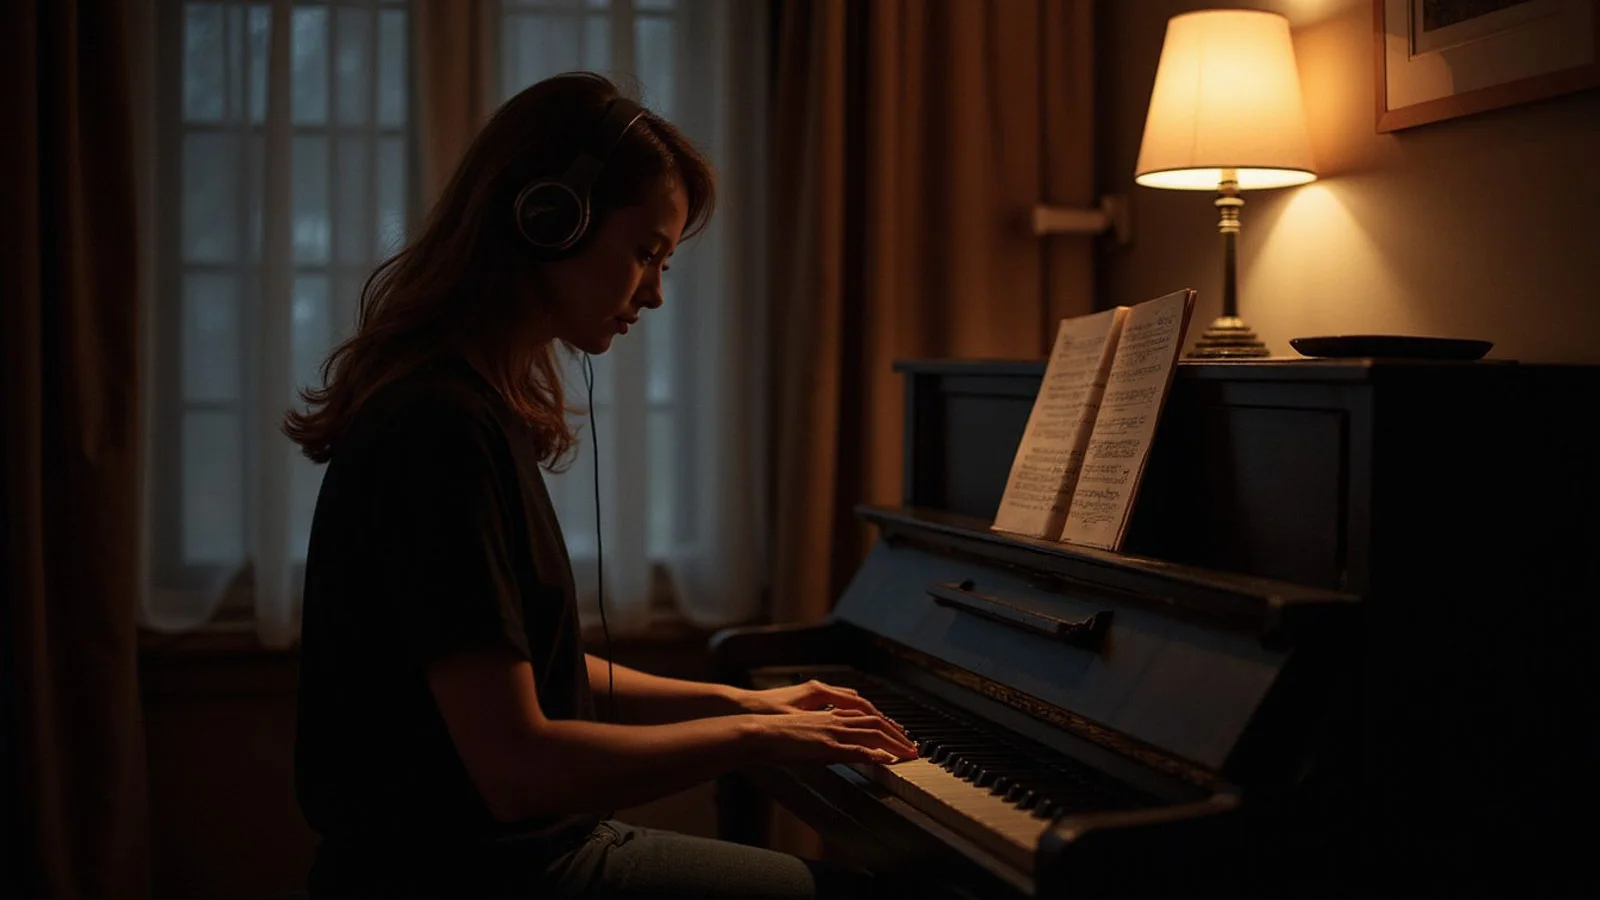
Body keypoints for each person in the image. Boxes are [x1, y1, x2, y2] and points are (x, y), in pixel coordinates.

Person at [280, 72, 918, 899]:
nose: (654, 293)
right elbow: (517, 769)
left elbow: (527, 665)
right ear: (549, 219)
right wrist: (752, 739)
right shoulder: (438, 431)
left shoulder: (464, 407)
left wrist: (743, 703)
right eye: (646, 252)